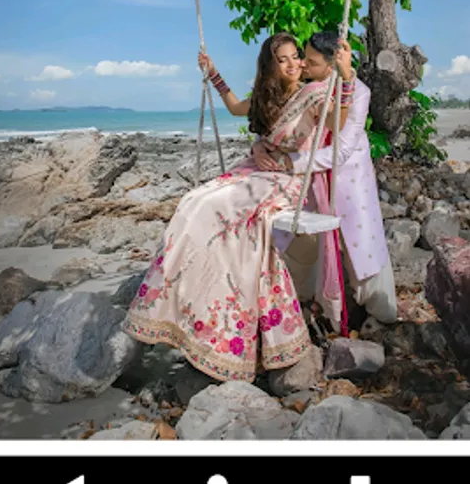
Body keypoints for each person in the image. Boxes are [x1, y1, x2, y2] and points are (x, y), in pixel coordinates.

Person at [122, 31, 355, 383]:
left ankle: (221, 321)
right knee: (193, 201)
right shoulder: (268, 97)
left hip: (285, 178)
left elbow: (338, 123)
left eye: (296, 57)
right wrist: (214, 74)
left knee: (219, 208)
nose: (293, 64)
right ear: (271, 66)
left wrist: (346, 77)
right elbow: (234, 107)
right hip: (254, 171)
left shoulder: (314, 94)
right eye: (283, 60)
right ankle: (180, 302)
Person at [254, 30, 397, 325]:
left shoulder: (358, 92)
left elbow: (341, 150)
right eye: (303, 57)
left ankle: (382, 314)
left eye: (311, 61)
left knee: (362, 244)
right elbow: (279, 128)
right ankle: (307, 299)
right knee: (301, 237)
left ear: (331, 65)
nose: (302, 65)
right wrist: (259, 147)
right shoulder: (308, 90)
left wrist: (289, 163)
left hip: (347, 177)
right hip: (311, 177)